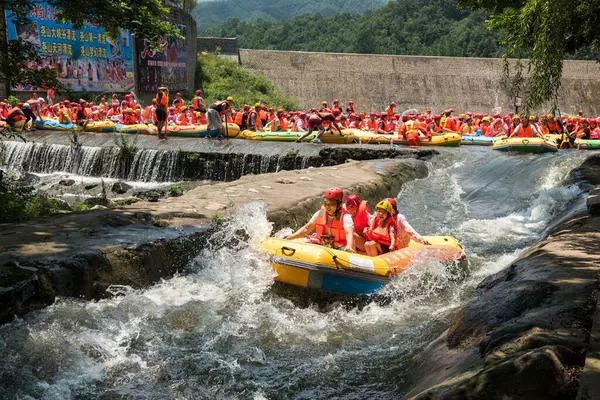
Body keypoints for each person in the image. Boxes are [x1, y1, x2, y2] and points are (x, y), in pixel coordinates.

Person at [285, 187, 355, 251]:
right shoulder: (321, 213)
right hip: (322, 244)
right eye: (325, 203)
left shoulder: (345, 216)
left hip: (339, 247)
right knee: (297, 242)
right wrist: (291, 237)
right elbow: (308, 228)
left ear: (338, 204)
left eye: (331, 204)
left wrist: (349, 246)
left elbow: (348, 232)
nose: (327, 207)